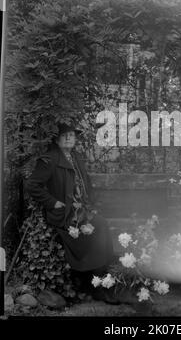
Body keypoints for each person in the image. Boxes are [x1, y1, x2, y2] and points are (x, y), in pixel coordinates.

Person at [25, 122, 119, 304]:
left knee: (100, 225)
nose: (69, 138)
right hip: (65, 213)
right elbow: (32, 185)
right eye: (65, 135)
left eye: (72, 135)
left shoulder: (75, 157)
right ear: (57, 139)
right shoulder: (50, 159)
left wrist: (91, 206)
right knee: (99, 227)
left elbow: (86, 184)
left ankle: (100, 284)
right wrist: (53, 203)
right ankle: (95, 286)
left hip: (82, 210)